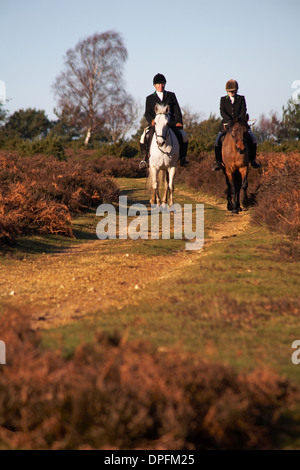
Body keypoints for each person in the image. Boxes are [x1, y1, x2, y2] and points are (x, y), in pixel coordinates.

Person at [139, 73, 189, 170]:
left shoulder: (171, 95)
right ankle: (144, 159)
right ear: (154, 85)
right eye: (158, 84)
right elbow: (147, 113)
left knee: (184, 136)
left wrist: (179, 121)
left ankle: (183, 158)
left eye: (162, 84)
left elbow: (177, 110)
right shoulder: (149, 98)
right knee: (144, 137)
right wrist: (152, 120)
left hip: (170, 123)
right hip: (156, 124)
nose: (160, 86)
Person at [212, 79, 261, 171]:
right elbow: (222, 112)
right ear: (227, 91)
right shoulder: (223, 99)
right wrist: (229, 120)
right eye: (230, 91)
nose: (232, 93)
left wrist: (239, 120)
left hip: (240, 123)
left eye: (233, 91)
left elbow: (243, 110)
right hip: (227, 124)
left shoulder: (241, 98)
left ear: (236, 90)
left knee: (253, 138)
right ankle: (218, 162)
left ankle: (253, 160)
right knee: (217, 140)